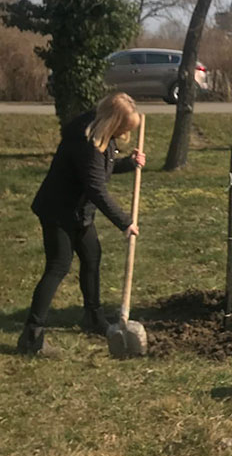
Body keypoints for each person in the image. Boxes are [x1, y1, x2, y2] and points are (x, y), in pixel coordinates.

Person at [19, 93, 145, 356]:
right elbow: (96, 188)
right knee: (58, 266)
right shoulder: (86, 141)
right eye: (123, 128)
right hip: (58, 212)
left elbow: (100, 171)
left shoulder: (101, 135)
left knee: (91, 256)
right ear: (113, 121)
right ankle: (31, 337)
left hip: (79, 212)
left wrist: (129, 164)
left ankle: (93, 317)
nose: (124, 134)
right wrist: (125, 222)